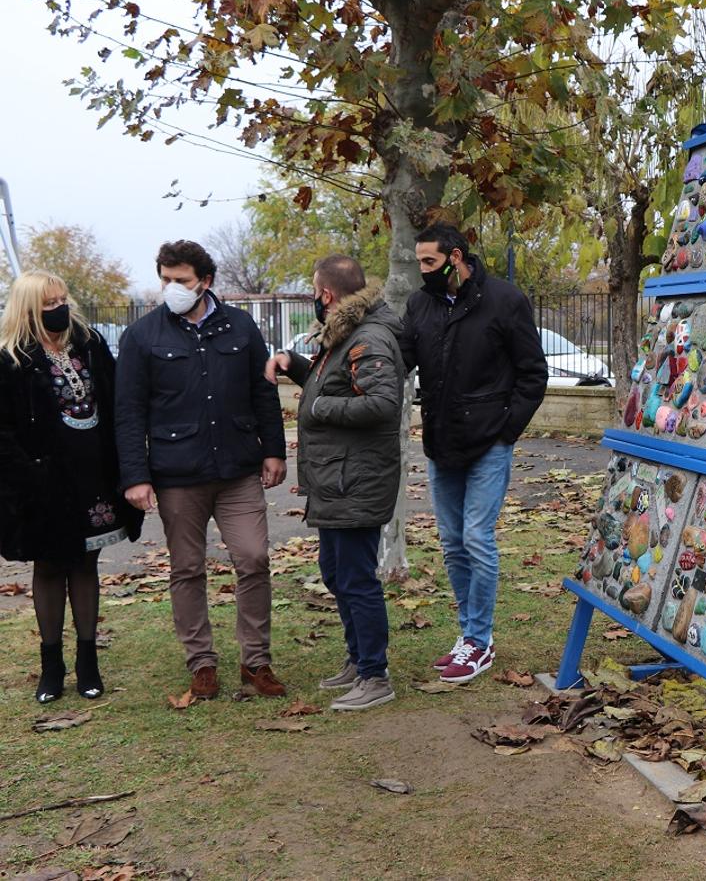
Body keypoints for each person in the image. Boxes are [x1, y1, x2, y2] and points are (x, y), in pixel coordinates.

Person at [115, 240, 287, 700]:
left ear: (205, 281)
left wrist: (274, 450)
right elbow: (128, 411)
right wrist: (135, 475)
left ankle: (256, 662)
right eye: (166, 280)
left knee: (253, 558)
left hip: (237, 470)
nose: (172, 288)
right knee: (187, 568)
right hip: (176, 474)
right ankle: (202, 664)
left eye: (182, 281)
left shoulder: (241, 326)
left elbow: (263, 392)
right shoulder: (143, 335)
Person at [401, 224, 548, 683]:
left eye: (429, 262)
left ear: (455, 257)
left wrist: (506, 432)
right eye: (419, 262)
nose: (422, 271)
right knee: (451, 542)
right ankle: (468, 636)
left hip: (489, 443)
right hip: (442, 443)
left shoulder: (504, 300)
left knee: (476, 538)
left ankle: (479, 642)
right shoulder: (419, 305)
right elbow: (399, 359)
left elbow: (533, 373)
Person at [265, 256, 404, 711]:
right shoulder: (345, 335)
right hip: (338, 478)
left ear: (326, 294)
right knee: (335, 573)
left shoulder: (369, 337)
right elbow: (340, 384)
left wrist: (320, 407)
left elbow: (382, 403)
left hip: (356, 479)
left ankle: (374, 675)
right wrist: (297, 366)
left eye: (313, 289)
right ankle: (358, 657)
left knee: (355, 578)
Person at [0, 271, 144, 703]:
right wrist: (30, 475)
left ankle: (87, 662)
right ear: (28, 308)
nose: (60, 307)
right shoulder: (11, 359)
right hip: (40, 482)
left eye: (62, 298)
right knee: (48, 566)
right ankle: (52, 666)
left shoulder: (90, 343)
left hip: (93, 475)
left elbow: (118, 400)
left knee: (84, 563)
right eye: (49, 303)